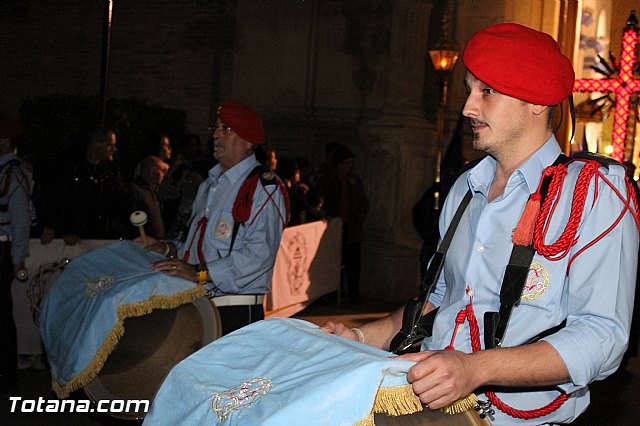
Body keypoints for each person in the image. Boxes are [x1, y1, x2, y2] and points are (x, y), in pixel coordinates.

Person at [322, 23, 639, 425]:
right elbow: (440, 298)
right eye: (470, 90)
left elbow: (602, 337)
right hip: (431, 412)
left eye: (487, 92)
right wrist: (364, 336)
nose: (468, 107)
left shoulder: (592, 193)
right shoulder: (464, 189)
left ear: (537, 101)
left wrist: (476, 368)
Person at [146, 101, 289, 335]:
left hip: (235, 312)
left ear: (249, 141)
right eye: (216, 128)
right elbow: (199, 248)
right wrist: (167, 249)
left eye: (227, 130)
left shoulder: (263, 188)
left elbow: (258, 257)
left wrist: (199, 273)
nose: (216, 135)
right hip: (198, 307)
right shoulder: (210, 184)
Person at [0, 115, 31, 394]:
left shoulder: (12, 173)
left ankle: (7, 378)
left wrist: (16, 258)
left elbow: (21, 219)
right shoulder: (9, 172)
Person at [317, 144, 369, 303]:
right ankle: (332, 295)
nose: (349, 166)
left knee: (353, 262)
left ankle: (353, 294)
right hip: (334, 226)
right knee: (334, 261)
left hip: (352, 227)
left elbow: (362, 202)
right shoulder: (329, 180)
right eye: (347, 163)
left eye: (351, 163)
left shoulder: (355, 181)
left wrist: (358, 217)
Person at [129, 155, 170, 239]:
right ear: (153, 171)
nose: (163, 175)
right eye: (162, 171)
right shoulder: (136, 191)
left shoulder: (152, 192)